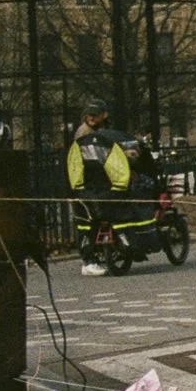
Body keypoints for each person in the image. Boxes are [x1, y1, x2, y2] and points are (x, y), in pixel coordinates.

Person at [66, 100, 138, 275]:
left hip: (94, 182)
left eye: (94, 114)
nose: (91, 117)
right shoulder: (85, 134)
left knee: (90, 220)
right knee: (91, 219)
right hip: (95, 182)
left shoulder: (98, 132)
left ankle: (91, 258)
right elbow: (94, 156)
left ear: (103, 115)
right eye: (89, 115)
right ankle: (89, 260)